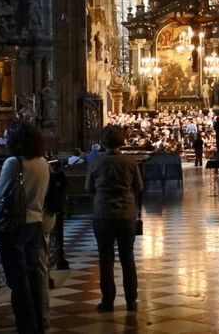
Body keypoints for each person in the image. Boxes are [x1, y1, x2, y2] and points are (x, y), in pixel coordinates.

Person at [0, 120, 49, 334]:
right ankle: (39, 319)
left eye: (7, 136)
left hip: (16, 225)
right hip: (36, 221)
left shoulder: (14, 163)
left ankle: (26, 324)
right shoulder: (42, 161)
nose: (4, 139)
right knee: (34, 274)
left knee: (17, 277)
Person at [86, 125, 143, 312]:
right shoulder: (130, 161)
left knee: (106, 258)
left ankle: (108, 301)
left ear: (103, 141)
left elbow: (88, 188)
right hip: (126, 213)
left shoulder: (96, 162)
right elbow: (139, 186)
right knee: (127, 257)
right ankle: (131, 301)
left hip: (103, 213)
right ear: (122, 140)